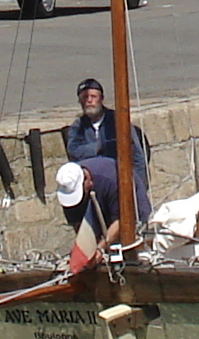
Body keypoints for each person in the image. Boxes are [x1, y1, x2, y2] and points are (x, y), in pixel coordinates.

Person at [61, 79, 151, 229]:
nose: (89, 101)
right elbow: (74, 151)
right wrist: (99, 147)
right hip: (96, 188)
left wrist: (138, 185)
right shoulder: (78, 127)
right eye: (85, 97)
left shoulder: (118, 121)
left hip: (120, 182)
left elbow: (136, 154)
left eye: (93, 97)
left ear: (101, 99)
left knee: (129, 223)